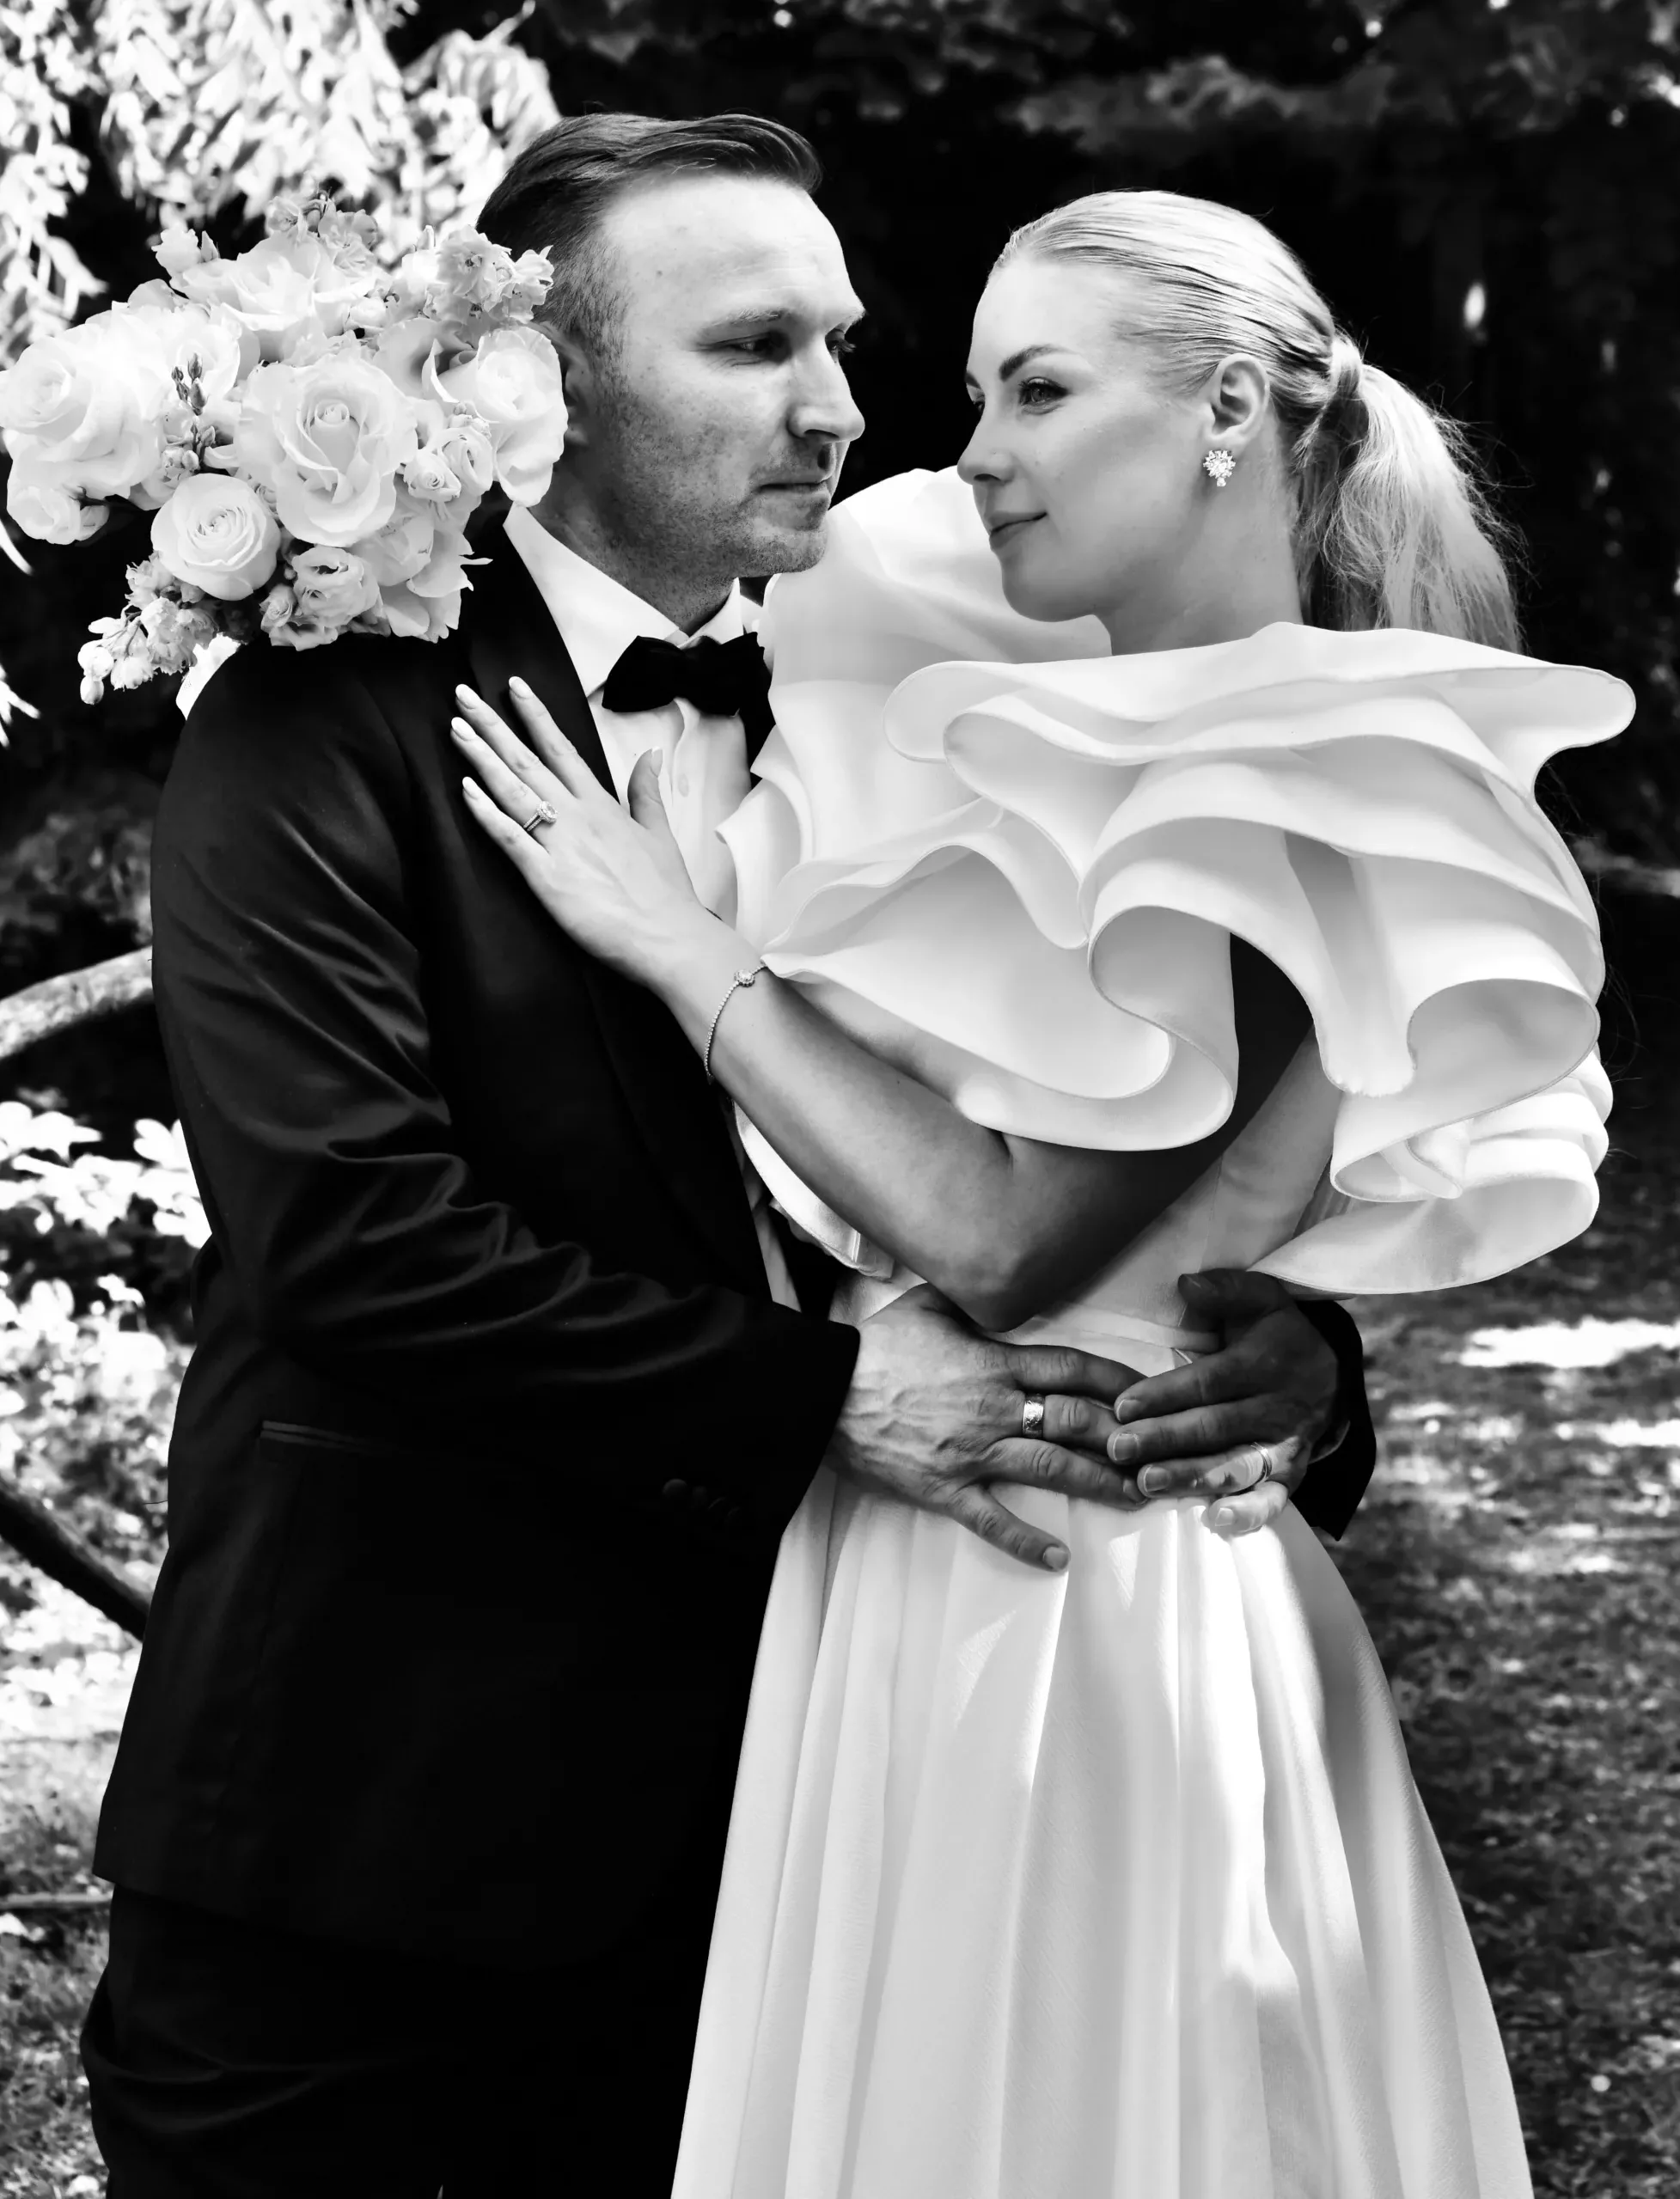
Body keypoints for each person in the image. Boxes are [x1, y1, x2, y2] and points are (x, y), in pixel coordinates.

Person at [80, 122, 1376, 2198]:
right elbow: (356, 1242)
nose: (838, 406)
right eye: (756, 345)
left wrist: (1292, 1354)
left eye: (839, 341)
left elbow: (1119, 1126)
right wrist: (832, 1390)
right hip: (374, 1822)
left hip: (811, 1831)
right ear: (544, 390)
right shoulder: (321, 723)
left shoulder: (929, 696)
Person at [453, 186, 1627, 2195]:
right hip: (927, 1555)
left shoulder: (1280, 770)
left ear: (1228, 411)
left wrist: (680, 947)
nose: (974, 449)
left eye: (1041, 392)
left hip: (1073, 1597)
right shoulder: (1060, 707)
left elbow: (1006, 1241)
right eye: (980, 391)